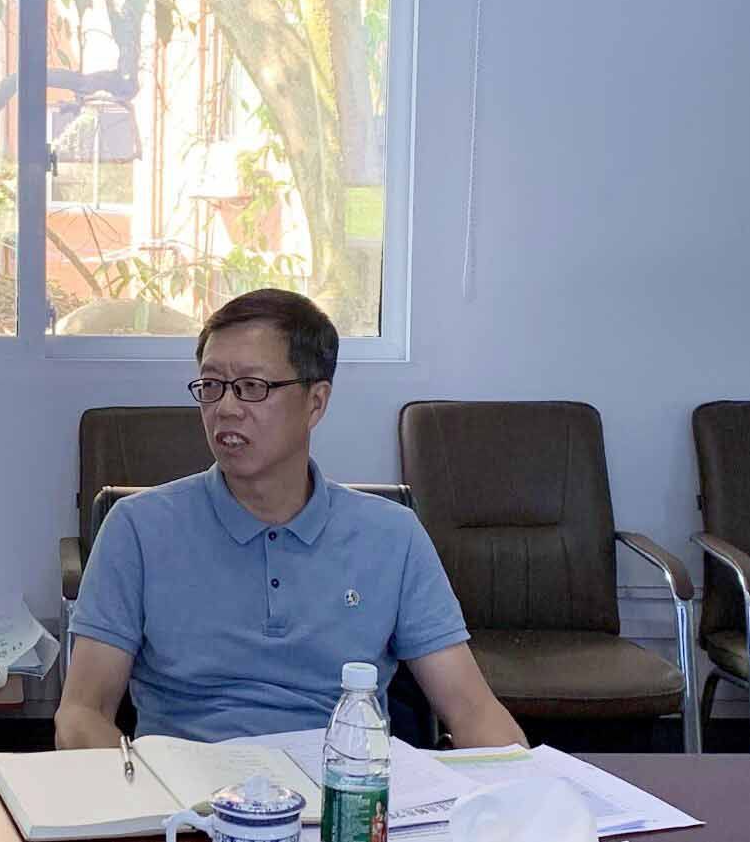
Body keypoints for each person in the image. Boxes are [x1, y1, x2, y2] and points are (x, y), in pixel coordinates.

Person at [55, 288, 526, 749]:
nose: (226, 408)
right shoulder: (137, 528)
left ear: (315, 402)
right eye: (211, 385)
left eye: (252, 387)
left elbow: (472, 711)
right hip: (185, 788)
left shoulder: (393, 536)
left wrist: (528, 787)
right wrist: (132, 791)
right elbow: (82, 713)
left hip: (342, 787)